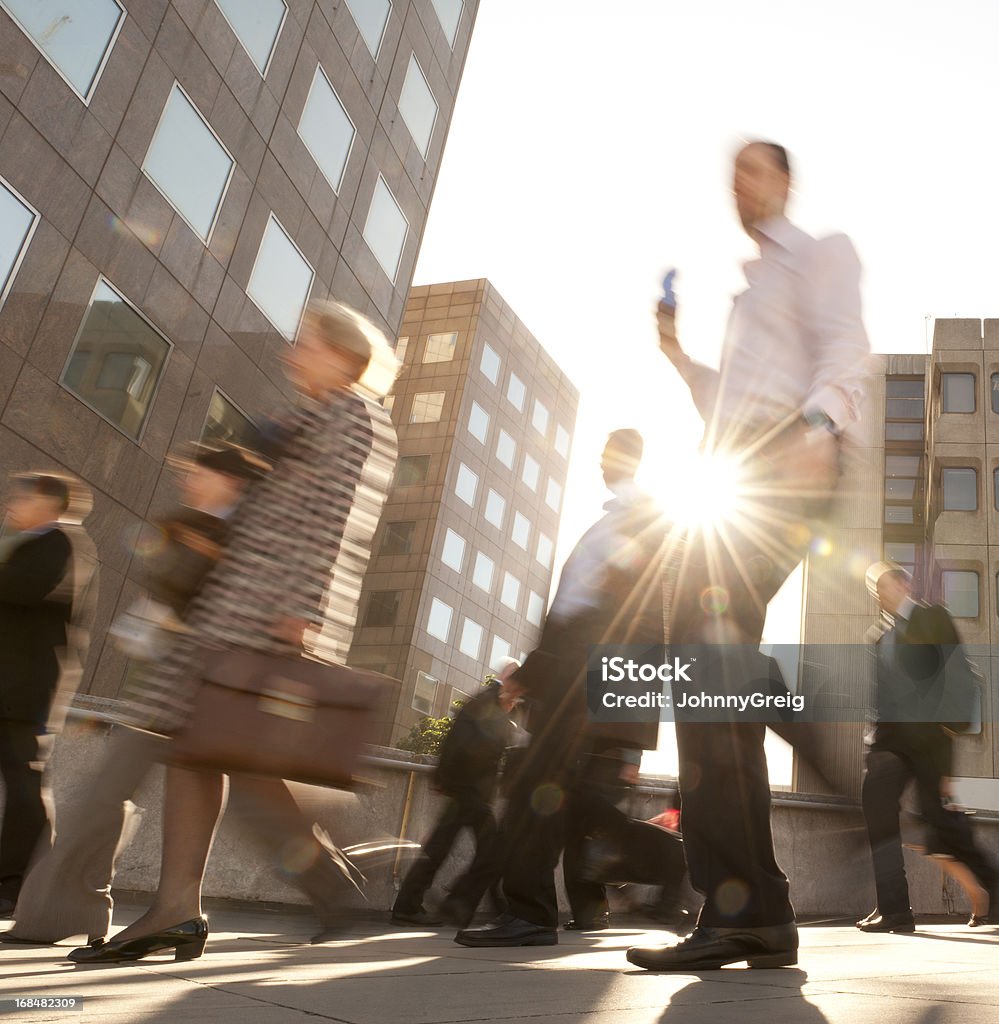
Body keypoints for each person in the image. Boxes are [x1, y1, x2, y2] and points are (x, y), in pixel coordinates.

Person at [63, 299, 398, 964]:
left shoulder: (350, 413)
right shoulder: (310, 412)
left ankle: (314, 888)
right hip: (233, 602)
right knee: (201, 750)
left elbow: (332, 517)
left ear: (340, 353)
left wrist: (299, 608)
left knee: (222, 752)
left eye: (305, 341)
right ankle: (180, 909)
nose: (289, 351)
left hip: (262, 608)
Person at [628, 141, 870, 972]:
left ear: (785, 181)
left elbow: (845, 349)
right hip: (734, 456)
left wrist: (818, 428)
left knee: (705, 661)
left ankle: (743, 907)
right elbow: (725, 398)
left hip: (784, 458)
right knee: (705, 672)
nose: (739, 186)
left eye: (753, 172)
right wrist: (675, 355)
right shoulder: (748, 292)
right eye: (731, 176)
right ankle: (750, 908)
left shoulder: (819, 255)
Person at [2, 446, 263, 946]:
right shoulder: (197, 524)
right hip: (165, 684)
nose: (187, 481)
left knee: (101, 797)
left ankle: (63, 912)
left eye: (197, 474)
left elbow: (212, 602)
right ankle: (79, 913)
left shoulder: (242, 533)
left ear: (229, 481)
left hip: (197, 687)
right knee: (105, 796)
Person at [456, 429, 683, 947]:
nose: (605, 463)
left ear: (635, 460)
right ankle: (537, 910)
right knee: (553, 799)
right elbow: (572, 611)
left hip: (588, 674)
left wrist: (545, 673)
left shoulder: (643, 518)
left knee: (537, 792)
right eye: (603, 454)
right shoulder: (610, 521)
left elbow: (608, 612)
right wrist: (533, 673)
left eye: (615, 454)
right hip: (572, 672)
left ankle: (534, 914)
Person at [856, 561, 997, 933]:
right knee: (878, 813)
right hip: (888, 742)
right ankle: (895, 910)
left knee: (940, 821)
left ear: (904, 584)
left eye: (883, 584)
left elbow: (960, 678)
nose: (879, 593)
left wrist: (947, 754)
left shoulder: (933, 618)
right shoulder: (878, 636)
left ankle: (995, 893)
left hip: (929, 741)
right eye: (874, 588)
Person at [0, 474, 79, 916]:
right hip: (8, 687)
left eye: (22, 497)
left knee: (25, 787)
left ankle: (17, 886)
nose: (11, 504)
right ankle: (38, 884)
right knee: (25, 784)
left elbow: (22, 591)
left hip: (23, 691)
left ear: (50, 504)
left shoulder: (59, 544)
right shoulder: (19, 543)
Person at [391, 659, 520, 928]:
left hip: (470, 789)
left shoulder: (500, 705)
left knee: (442, 848)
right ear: (506, 678)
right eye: (516, 681)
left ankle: (411, 906)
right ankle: (462, 905)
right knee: (492, 850)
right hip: (468, 788)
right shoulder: (486, 702)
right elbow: (459, 742)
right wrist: (446, 778)